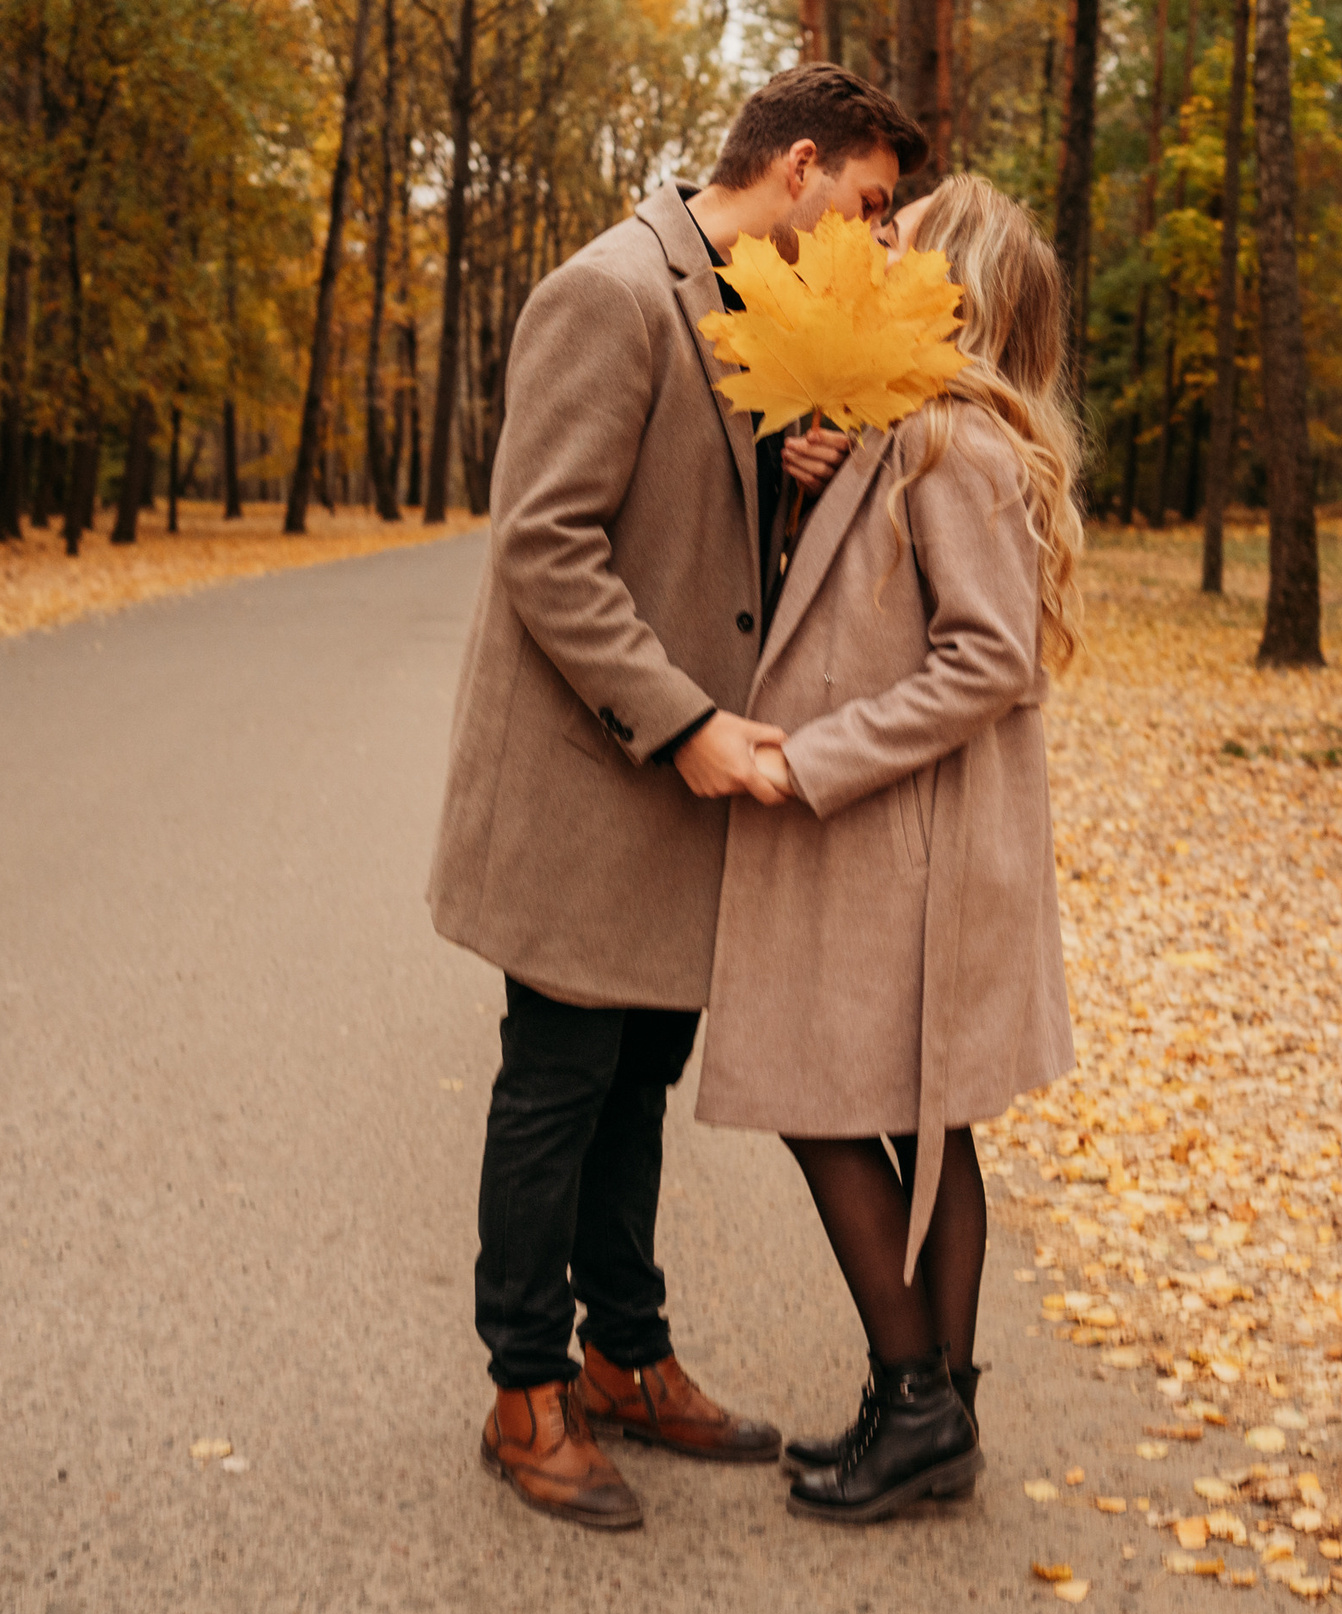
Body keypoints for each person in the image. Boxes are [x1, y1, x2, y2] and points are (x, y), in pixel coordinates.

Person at [427, 65, 929, 1532]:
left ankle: (625, 1352)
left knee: (634, 1085)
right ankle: (525, 1391)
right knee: (555, 1090)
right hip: (590, 783)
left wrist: (793, 474)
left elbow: (702, 536)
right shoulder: (611, 292)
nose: (874, 239)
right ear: (799, 166)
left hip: (674, 801)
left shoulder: (745, 305)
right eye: (869, 204)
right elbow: (547, 547)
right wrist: (690, 724)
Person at [693, 177, 1083, 1523]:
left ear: (945, 289)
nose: (868, 250)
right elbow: (866, 609)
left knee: (826, 1100)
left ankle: (921, 1400)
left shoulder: (950, 446)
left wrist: (812, 760)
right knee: (924, 1116)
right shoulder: (903, 436)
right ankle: (931, 1409)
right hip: (896, 843)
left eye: (897, 241)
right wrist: (820, 484)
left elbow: (988, 658)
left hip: (901, 844)